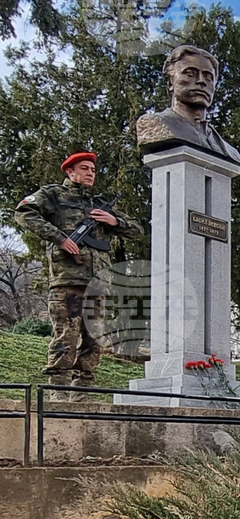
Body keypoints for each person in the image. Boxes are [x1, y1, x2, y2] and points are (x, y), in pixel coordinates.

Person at [13, 152, 144, 401]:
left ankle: (83, 389)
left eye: (93, 170)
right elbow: (24, 212)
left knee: (94, 339)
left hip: (99, 283)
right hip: (68, 280)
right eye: (84, 168)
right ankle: (59, 389)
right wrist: (60, 238)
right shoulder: (54, 195)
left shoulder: (100, 203)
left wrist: (113, 220)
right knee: (67, 334)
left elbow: (137, 229)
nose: (90, 173)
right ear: (70, 172)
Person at [135, 45, 240, 164]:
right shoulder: (155, 124)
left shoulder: (227, 150)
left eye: (208, 77)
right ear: (170, 82)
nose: (201, 81)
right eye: (190, 73)